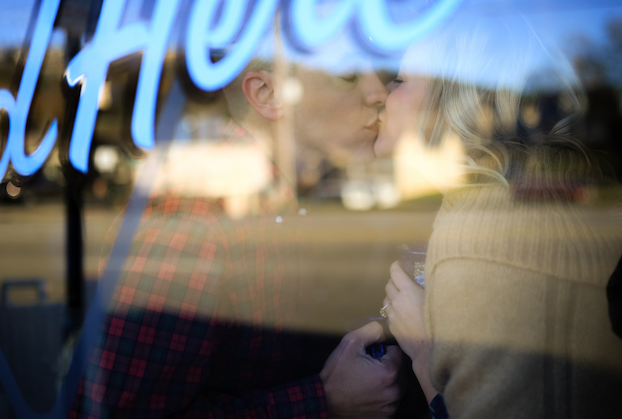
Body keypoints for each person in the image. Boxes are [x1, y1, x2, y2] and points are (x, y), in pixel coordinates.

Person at [73, 55, 406, 418]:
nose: (379, 93)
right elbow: (124, 413)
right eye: (347, 74)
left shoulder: (273, 201)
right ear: (266, 94)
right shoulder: (192, 223)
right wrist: (324, 400)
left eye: (377, 72)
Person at [378, 18, 622, 418]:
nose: (384, 94)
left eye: (400, 81)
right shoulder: (563, 193)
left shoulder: (485, 236)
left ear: (450, 101)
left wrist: (423, 352)